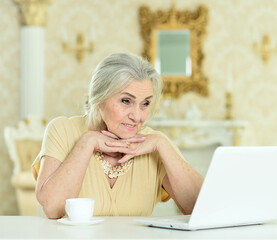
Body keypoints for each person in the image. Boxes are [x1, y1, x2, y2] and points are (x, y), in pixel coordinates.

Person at [32, 52, 204, 218]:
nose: (137, 116)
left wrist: (163, 144)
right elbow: (53, 208)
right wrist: (87, 142)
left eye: (145, 103)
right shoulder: (63, 130)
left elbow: (201, 210)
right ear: (99, 98)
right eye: (126, 101)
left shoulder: (154, 144)